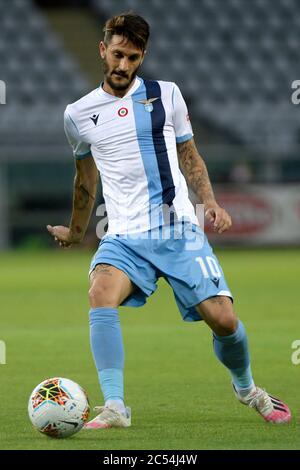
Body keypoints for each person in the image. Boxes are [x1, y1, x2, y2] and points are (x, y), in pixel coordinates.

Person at [47, 12, 291, 428]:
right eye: (118, 54)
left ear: (143, 57)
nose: (124, 65)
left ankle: (247, 388)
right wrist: (75, 230)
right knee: (99, 293)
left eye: (134, 57)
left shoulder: (167, 94)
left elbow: (189, 155)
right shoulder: (78, 114)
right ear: (103, 50)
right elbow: (84, 180)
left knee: (224, 318)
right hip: (122, 234)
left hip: (178, 227)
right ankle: (115, 406)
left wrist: (210, 201)